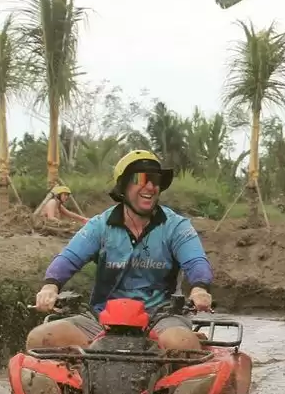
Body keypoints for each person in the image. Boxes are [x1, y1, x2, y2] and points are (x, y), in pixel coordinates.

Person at [27, 150, 213, 354]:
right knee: (39, 338)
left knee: (182, 344)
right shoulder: (100, 225)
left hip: (162, 317)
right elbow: (70, 258)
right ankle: (78, 381)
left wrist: (199, 289)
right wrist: (50, 286)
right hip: (102, 319)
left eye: (155, 180)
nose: (150, 186)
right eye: (141, 179)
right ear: (123, 185)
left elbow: (196, 261)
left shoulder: (176, 226)